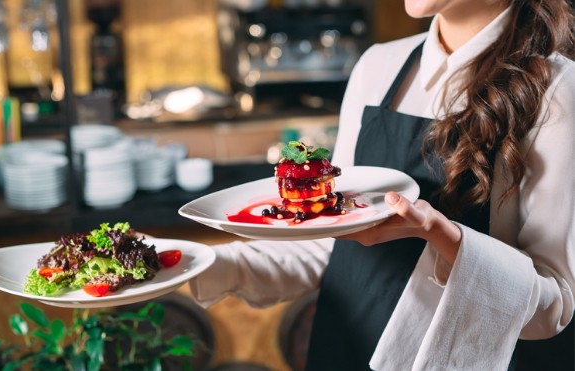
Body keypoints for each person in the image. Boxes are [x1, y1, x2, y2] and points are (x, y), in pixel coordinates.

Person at [187, 0, 575, 369]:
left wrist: (445, 237)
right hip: (344, 348)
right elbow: (329, 244)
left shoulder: (558, 91)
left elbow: (552, 308)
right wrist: (198, 264)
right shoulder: (378, 66)